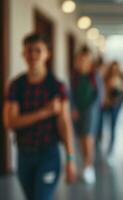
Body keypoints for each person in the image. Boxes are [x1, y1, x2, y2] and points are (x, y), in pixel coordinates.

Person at [4, 33, 76, 200]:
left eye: (38, 50)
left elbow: (64, 123)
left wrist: (70, 158)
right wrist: (45, 112)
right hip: (24, 154)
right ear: (23, 54)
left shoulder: (56, 86)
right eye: (29, 50)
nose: (34, 55)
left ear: (47, 54)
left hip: (49, 153)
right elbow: (10, 122)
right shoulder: (16, 86)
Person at [70, 46, 99, 184]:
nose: (82, 62)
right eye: (80, 59)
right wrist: (73, 108)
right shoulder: (74, 76)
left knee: (88, 141)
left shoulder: (94, 76)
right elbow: (71, 95)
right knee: (81, 141)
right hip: (77, 113)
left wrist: (93, 111)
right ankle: (86, 164)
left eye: (85, 59)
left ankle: (89, 167)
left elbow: (99, 96)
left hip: (90, 113)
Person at [101, 61, 123, 157]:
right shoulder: (107, 78)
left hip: (117, 104)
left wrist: (119, 87)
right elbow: (104, 90)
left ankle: (111, 147)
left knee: (113, 125)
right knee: (106, 124)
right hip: (108, 104)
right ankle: (104, 142)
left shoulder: (120, 78)